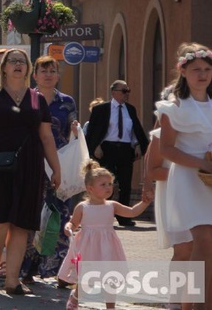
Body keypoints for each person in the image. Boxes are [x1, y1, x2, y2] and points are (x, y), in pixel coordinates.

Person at [0, 48, 61, 295]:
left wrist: (56, 169)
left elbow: (46, 136)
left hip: (30, 165)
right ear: (4, 68)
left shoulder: (35, 99)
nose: (18, 65)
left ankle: (12, 280)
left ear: (28, 68)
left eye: (22, 61)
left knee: (21, 223)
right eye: (13, 61)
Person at [158, 42, 212, 306]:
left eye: (207, 69)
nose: (202, 74)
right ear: (183, 72)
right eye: (196, 69)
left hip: (211, 181)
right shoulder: (174, 107)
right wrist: (201, 163)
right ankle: (194, 304)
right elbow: (166, 149)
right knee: (203, 239)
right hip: (188, 180)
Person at [58, 160, 152, 309]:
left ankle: (110, 306)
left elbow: (132, 212)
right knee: (86, 279)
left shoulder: (112, 206)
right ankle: (75, 297)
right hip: (88, 247)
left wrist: (145, 203)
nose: (108, 187)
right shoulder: (82, 207)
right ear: (90, 188)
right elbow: (74, 223)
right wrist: (68, 227)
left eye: (110, 184)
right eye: (103, 185)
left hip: (108, 247)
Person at [21, 56, 79, 284]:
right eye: (43, 70)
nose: (48, 75)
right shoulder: (26, 99)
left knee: (59, 215)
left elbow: (73, 127)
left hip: (59, 164)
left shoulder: (66, 101)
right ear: (34, 75)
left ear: (57, 75)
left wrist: (75, 128)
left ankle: (59, 271)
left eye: (52, 71)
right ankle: (26, 268)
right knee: (31, 217)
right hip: (31, 163)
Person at [144, 89, 192, 289]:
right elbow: (153, 169)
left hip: (204, 194)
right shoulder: (161, 135)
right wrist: (191, 174)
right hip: (177, 196)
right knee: (184, 251)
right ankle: (177, 298)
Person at [86, 80, 148, 227]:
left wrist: (138, 145)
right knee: (105, 183)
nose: (127, 94)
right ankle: (103, 214)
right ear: (114, 93)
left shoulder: (130, 110)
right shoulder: (101, 109)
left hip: (126, 149)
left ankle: (124, 217)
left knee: (125, 183)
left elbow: (134, 130)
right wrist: (96, 146)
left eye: (128, 91)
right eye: (124, 91)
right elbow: (93, 132)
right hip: (107, 149)